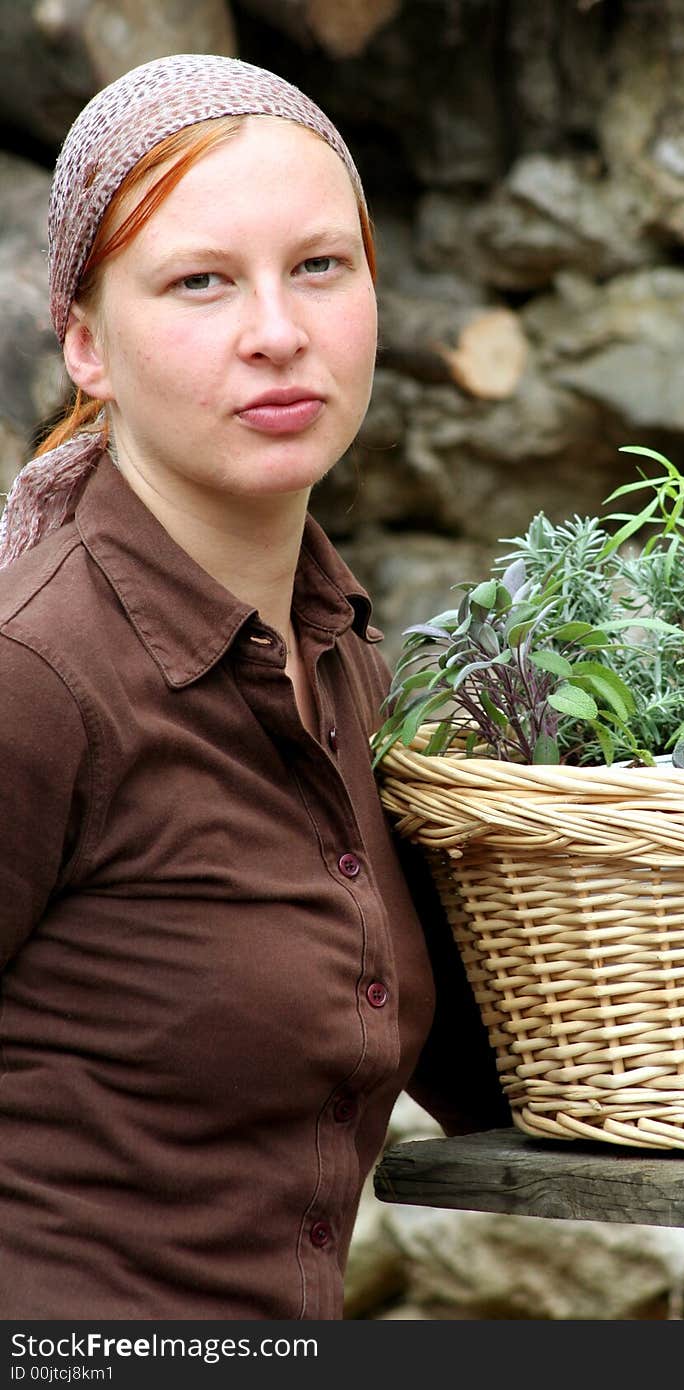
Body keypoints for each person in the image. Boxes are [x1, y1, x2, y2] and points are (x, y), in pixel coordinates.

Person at [0, 52, 508, 1320]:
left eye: (320, 267)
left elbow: (510, 1074)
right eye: (201, 281)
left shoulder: (347, 665)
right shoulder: (34, 677)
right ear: (85, 345)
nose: (277, 329)